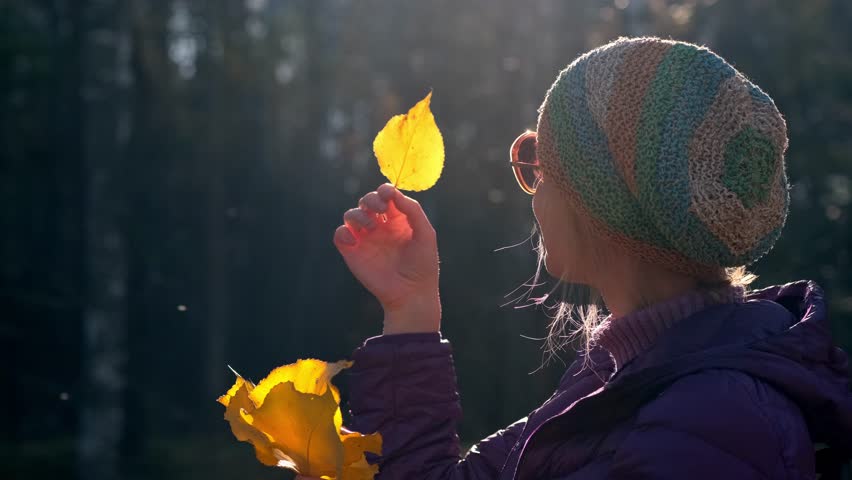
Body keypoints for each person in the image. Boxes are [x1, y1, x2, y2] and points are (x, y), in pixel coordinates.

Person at [309, 37, 852, 479]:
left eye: (539, 164)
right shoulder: (624, 377)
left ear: (600, 206)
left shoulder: (706, 426)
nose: (533, 192)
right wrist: (411, 307)